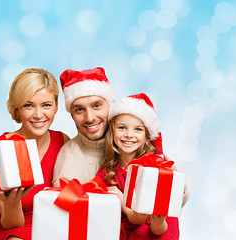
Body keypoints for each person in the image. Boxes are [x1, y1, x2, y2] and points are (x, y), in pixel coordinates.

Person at [0, 68, 69, 240]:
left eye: (46, 105)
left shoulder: (63, 141)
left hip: (45, 230)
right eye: (28, 105)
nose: (38, 115)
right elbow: (10, 225)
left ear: (56, 106)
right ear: (16, 110)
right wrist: (13, 203)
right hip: (4, 231)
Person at [96, 93, 185, 240]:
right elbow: (133, 217)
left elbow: (162, 228)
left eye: (138, 129)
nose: (129, 135)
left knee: (158, 225)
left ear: (146, 135)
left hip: (160, 231)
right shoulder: (107, 174)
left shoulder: (158, 166)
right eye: (122, 127)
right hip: (130, 230)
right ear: (112, 131)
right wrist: (144, 210)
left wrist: (173, 186)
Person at [52, 67, 115, 186]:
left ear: (110, 105)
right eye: (79, 109)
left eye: (96, 106)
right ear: (71, 114)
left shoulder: (129, 143)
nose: (90, 118)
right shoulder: (67, 167)